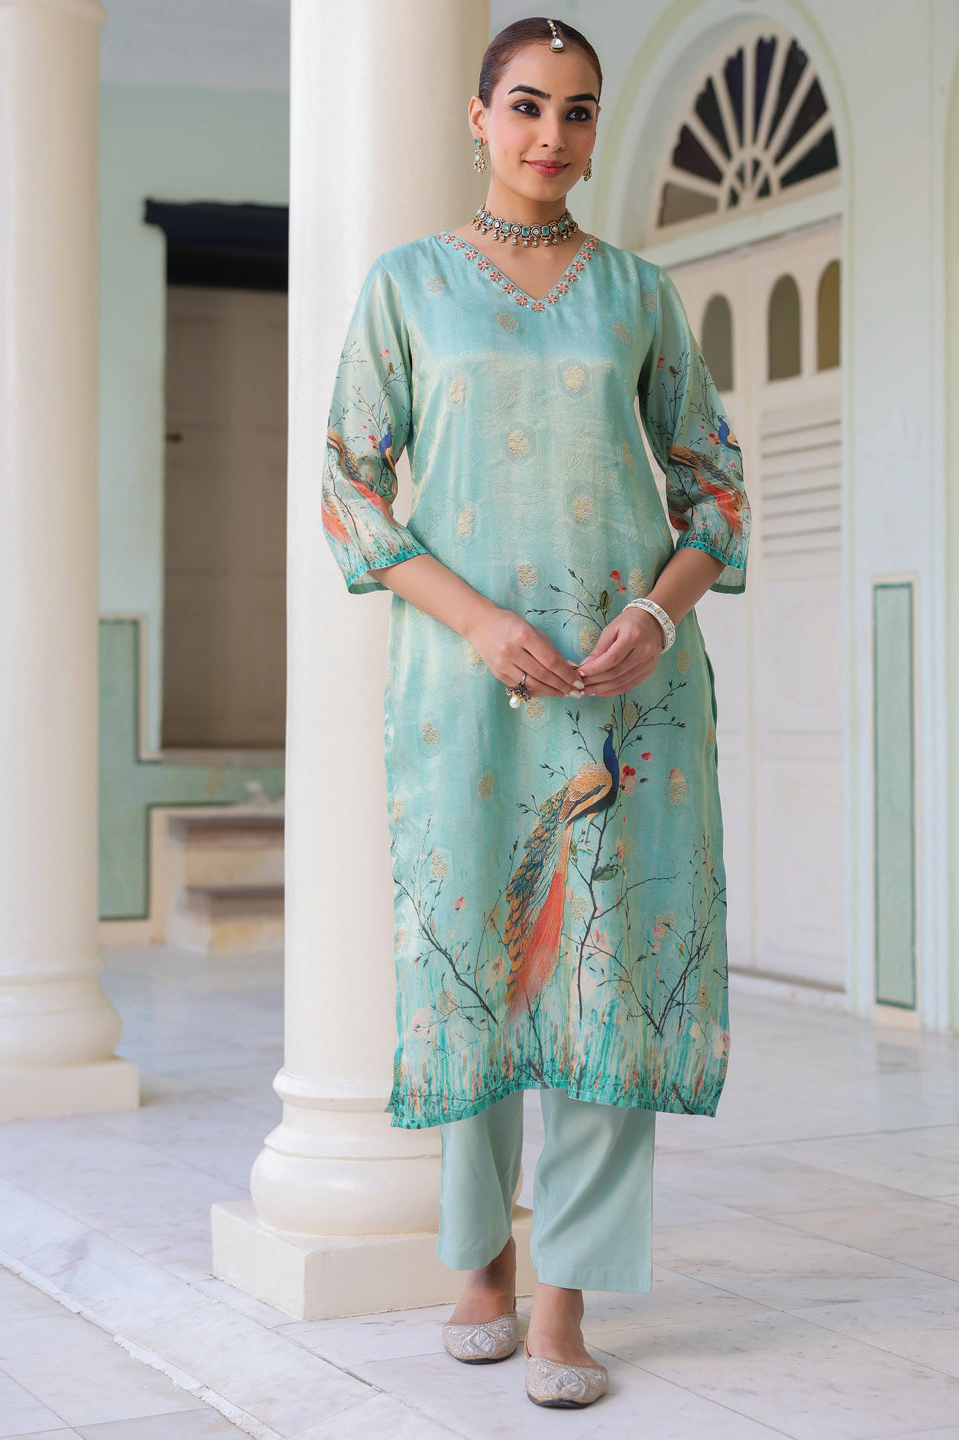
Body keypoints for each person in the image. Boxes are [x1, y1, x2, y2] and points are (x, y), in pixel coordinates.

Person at [320, 14, 750, 1410]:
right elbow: (349, 486)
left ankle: (563, 1298)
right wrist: (477, 621)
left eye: (576, 110)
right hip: (466, 686)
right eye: (525, 105)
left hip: (625, 695)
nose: (551, 135)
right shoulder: (406, 287)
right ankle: (482, 1265)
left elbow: (715, 488)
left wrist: (657, 616)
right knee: (477, 957)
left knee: (608, 970)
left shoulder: (638, 294)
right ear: (478, 116)